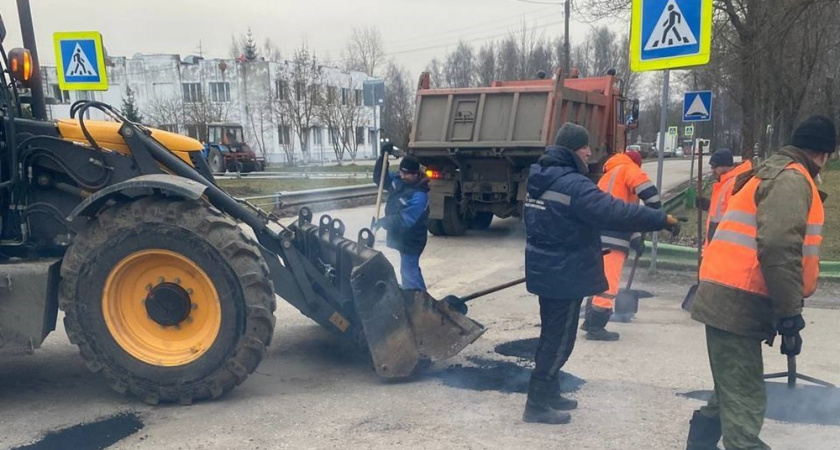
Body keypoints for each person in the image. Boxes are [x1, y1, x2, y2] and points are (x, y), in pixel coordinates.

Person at [686, 115, 835, 450]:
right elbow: (780, 247)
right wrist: (789, 313)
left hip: (730, 296)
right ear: (824, 154)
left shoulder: (774, 172)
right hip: (737, 299)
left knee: (731, 388)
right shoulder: (791, 179)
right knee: (745, 401)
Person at [523, 123, 681, 424]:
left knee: (552, 334)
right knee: (559, 340)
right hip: (563, 271)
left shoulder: (540, 177)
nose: (588, 152)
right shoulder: (573, 184)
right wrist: (659, 219)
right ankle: (536, 404)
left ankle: (550, 392)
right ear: (573, 149)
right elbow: (615, 212)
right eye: (584, 147)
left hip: (546, 266)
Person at [582, 149, 661, 341]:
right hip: (613, 238)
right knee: (608, 284)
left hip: (596, 235)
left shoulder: (609, 175)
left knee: (598, 278)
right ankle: (596, 327)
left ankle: (589, 321)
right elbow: (649, 193)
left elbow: (626, 213)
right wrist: (656, 212)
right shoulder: (629, 168)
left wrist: (636, 239)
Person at [373, 142, 430, 291]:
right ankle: (423, 297)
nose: (402, 175)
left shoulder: (420, 196)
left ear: (415, 174)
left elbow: (405, 220)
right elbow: (380, 179)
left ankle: (415, 300)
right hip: (400, 236)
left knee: (408, 273)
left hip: (413, 239)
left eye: (406, 174)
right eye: (401, 172)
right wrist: (383, 158)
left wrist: (383, 222)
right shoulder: (398, 180)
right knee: (411, 270)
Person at [695, 148, 753, 248]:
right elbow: (722, 210)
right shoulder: (724, 183)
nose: (712, 170)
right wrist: (708, 206)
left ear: (724, 166)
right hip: (719, 239)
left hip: (726, 242)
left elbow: (735, 215)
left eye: (714, 167)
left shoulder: (734, 184)